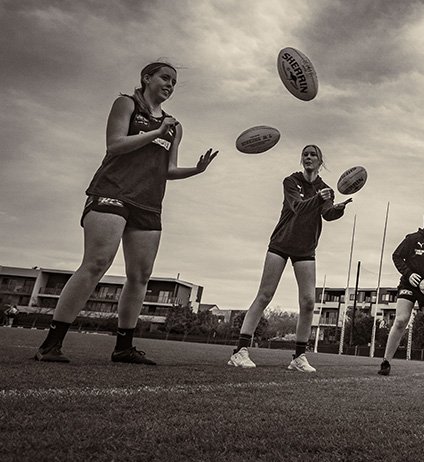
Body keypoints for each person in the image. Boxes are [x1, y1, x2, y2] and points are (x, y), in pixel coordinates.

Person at [34, 62, 218, 364]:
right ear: (147, 78)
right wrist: (156, 131)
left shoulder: (174, 126)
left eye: (174, 81)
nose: (170, 84)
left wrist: (197, 170)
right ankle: (51, 344)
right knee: (96, 264)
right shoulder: (126, 104)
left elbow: (168, 169)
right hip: (112, 191)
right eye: (165, 78)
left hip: (148, 203)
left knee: (140, 276)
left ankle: (123, 348)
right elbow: (115, 144)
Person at [228, 145, 350, 371]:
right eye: (305, 154)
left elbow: (327, 214)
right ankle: (240, 351)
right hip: (281, 243)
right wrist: (319, 199)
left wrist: (339, 209)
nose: (309, 157)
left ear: (320, 161)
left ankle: (299, 357)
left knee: (308, 302)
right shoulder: (291, 181)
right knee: (264, 295)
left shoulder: (325, 189)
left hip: (305, 248)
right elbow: (297, 207)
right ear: (301, 159)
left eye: (313, 155)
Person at [378, 209, 424, 379]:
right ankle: (386, 362)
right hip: (409, 285)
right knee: (401, 320)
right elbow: (397, 256)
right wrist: (408, 274)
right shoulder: (413, 239)